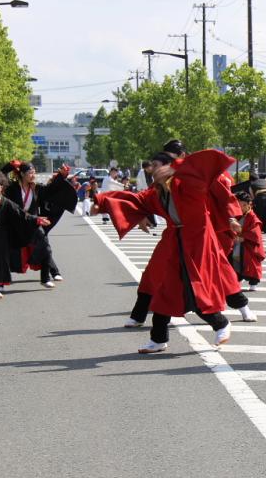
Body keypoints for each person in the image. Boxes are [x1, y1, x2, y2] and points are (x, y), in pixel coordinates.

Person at [93, 150, 245, 353]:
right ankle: (158, 339)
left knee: (195, 289)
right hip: (176, 241)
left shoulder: (188, 183)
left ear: (169, 166)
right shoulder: (157, 191)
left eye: (156, 165)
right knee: (165, 290)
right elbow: (135, 200)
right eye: (152, 166)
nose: (152, 169)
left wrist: (231, 218)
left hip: (198, 241)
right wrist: (101, 202)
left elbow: (205, 175)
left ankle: (221, 323)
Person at [3, 161, 76, 288]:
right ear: (21, 174)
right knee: (5, 253)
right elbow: (1, 177)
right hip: (16, 224)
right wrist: (10, 165)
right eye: (30, 173)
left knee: (46, 249)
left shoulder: (36, 188)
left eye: (34, 173)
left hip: (33, 223)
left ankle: (45, 278)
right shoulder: (12, 188)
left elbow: (51, 189)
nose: (33, 175)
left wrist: (61, 175)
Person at [0, 172, 50, 300]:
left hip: (0, 237)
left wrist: (37, 220)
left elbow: (22, 215)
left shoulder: (6, 203)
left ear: (1, 187)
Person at [230, 193, 265, 291]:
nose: (242, 207)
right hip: (236, 243)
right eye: (239, 205)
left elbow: (255, 234)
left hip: (249, 245)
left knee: (251, 263)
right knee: (234, 262)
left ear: (249, 204)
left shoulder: (253, 217)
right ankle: (236, 280)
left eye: (244, 205)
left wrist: (243, 237)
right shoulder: (235, 216)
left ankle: (253, 283)